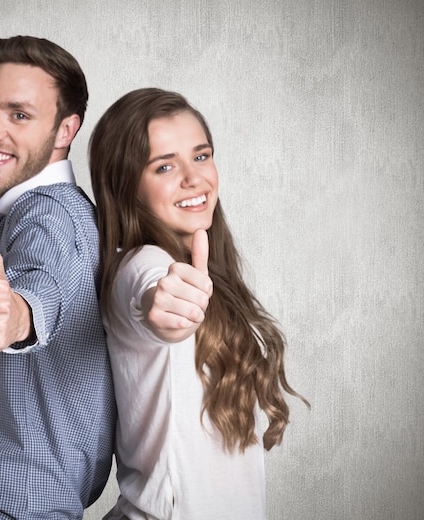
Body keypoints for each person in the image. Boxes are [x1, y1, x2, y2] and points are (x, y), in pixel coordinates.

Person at [88, 88, 308, 519]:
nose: (194, 178)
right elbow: (150, 295)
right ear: (126, 186)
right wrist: (164, 308)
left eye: (201, 156)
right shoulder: (141, 264)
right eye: (164, 166)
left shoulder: (201, 267)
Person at [0, 36, 116, 520]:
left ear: (64, 130)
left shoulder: (48, 217)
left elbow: (41, 289)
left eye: (19, 114)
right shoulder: (58, 213)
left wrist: (16, 316)